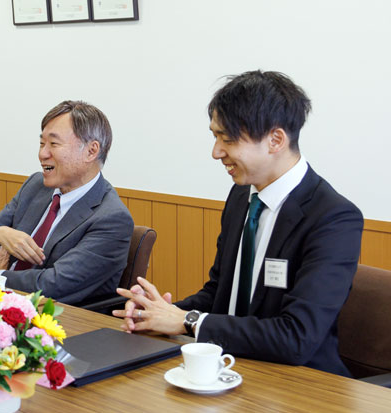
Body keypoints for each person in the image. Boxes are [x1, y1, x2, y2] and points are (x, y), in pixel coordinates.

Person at [114, 71, 363, 376]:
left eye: (227, 139)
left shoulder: (333, 218)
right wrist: (161, 313)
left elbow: (297, 337)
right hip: (230, 367)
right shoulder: (241, 195)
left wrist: (186, 321)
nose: (216, 152)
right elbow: (219, 293)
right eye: (215, 136)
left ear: (275, 140)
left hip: (300, 383)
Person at [0, 100, 134, 305]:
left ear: (91, 151)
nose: (42, 154)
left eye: (53, 144)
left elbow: (54, 284)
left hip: (57, 321)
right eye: (42, 143)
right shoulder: (36, 185)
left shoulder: (112, 218)